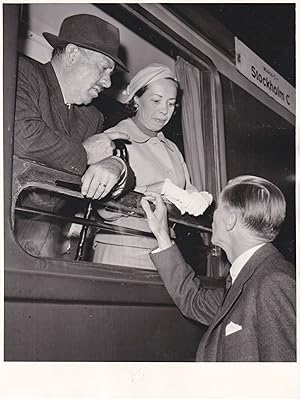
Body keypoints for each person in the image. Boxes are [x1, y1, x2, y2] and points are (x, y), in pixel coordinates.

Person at [14, 14, 133, 257]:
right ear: (72, 55)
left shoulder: (92, 117)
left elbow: (127, 181)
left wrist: (115, 165)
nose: (109, 83)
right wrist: (87, 153)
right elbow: (24, 137)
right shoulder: (21, 72)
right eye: (104, 68)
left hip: (53, 244)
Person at [141, 175, 296, 361]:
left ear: (230, 220)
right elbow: (194, 301)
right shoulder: (250, 277)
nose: (213, 216)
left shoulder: (273, 282)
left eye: (218, 209)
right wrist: (161, 233)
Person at [93, 63, 212, 269]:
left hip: (165, 250)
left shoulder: (172, 148)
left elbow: (184, 191)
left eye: (171, 103)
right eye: (156, 100)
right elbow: (105, 209)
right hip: (123, 248)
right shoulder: (114, 138)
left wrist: (199, 198)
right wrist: (158, 190)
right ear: (136, 99)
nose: (164, 111)